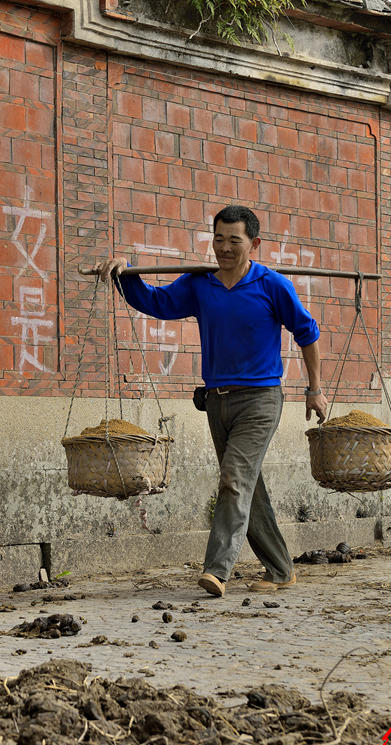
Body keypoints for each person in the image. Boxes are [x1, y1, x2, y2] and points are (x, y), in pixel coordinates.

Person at [96, 205, 328, 597]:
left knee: (234, 479)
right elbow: (157, 303)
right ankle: (281, 569)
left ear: (253, 243)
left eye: (233, 241)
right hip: (217, 402)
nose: (223, 248)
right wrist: (126, 274)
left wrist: (315, 389)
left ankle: (217, 570)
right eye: (218, 239)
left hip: (260, 399)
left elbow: (307, 332)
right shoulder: (200, 284)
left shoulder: (272, 285)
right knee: (246, 486)